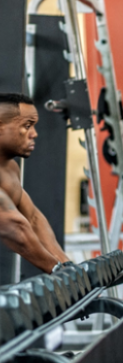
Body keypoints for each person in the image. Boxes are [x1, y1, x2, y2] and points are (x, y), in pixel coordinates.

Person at [0, 93, 69, 275]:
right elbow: (15, 227)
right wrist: (58, 270)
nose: (34, 134)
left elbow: (33, 219)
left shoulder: (10, 168)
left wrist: (68, 266)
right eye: (27, 126)